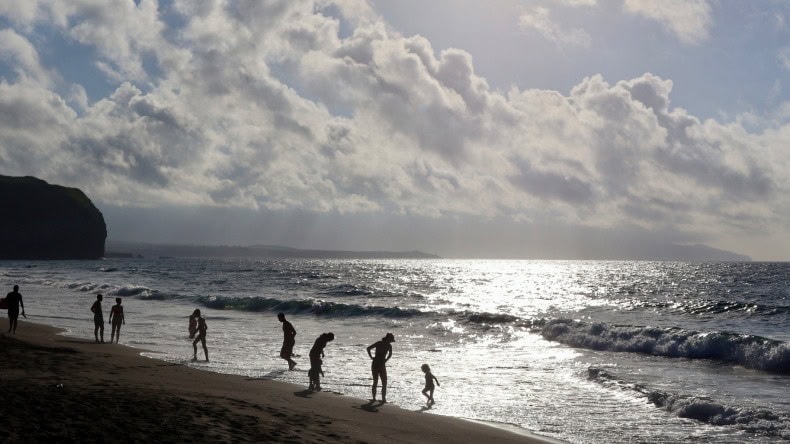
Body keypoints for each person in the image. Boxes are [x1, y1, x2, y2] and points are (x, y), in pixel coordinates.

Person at [366, 332, 395, 403]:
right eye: (391, 340)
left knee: (375, 381)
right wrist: (386, 360)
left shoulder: (379, 343)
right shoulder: (389, 346)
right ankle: (383, 399)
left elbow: (368, 348)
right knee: (384, 382)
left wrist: (371, 357)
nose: (391, 341)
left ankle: (374, 398)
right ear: (389, 339)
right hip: (381, 364)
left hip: (375, 363)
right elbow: (390, 354)